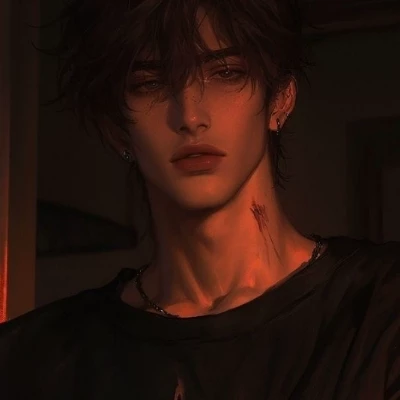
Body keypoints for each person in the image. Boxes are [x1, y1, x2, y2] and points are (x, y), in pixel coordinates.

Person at [1, 0, 399, 399]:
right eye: (150, 83)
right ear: (115, 128)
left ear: (280, 97)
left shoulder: (382, 307)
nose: (190, 115)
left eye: (225, 72)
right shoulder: (30, 359)